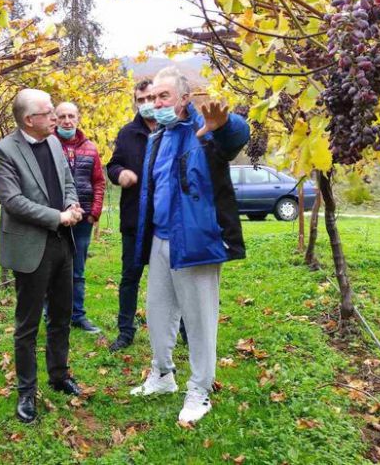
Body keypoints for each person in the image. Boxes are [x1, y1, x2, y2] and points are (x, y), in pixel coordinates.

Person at [130, 67, 249, 424]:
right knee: (159, 312)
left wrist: (224, 125)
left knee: (199, 320)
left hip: (196, 241)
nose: (156, 103)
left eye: (163, 96)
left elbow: (234, 137)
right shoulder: (159, 136)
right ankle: (163, 375)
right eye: (151, 98)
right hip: (162, 239)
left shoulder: (204, 131)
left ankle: (200, 390)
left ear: (184, 98)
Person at [0, 88, 84, 424]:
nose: (57, 117)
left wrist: (72, 205)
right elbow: (12, 201)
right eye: (49, 112)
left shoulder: (56, 142)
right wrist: (56, 216)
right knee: (28, 325)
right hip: (32, 246)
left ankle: (59, 375)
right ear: (30, 120)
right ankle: (27, 392)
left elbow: (67, 180)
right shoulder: (4, 151)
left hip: (62, 243)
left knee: (61, 316)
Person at [105, 80, 157, 351]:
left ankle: (182, 327)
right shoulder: (127, 133)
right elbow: (113, 165)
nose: (146, 103)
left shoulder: (172, 130)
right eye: (141, 99)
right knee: (130, 277)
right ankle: (126, 331)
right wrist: (119, 174)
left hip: (165, 221)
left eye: (151, 97)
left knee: (174, 278)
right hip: (134, 218)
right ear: (136, 102)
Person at [54, 102, 106, 334]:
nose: (67, 120)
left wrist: (94, 211)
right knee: (53, 268)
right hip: (56, 217)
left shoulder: (90, 148)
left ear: (78, 118)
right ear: (55, 119)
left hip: (83, 219)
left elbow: (99, 182)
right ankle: (52, 315)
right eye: (62, 116)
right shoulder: (49, 145)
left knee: (78, 269)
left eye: (71, 116)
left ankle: (78, 314)